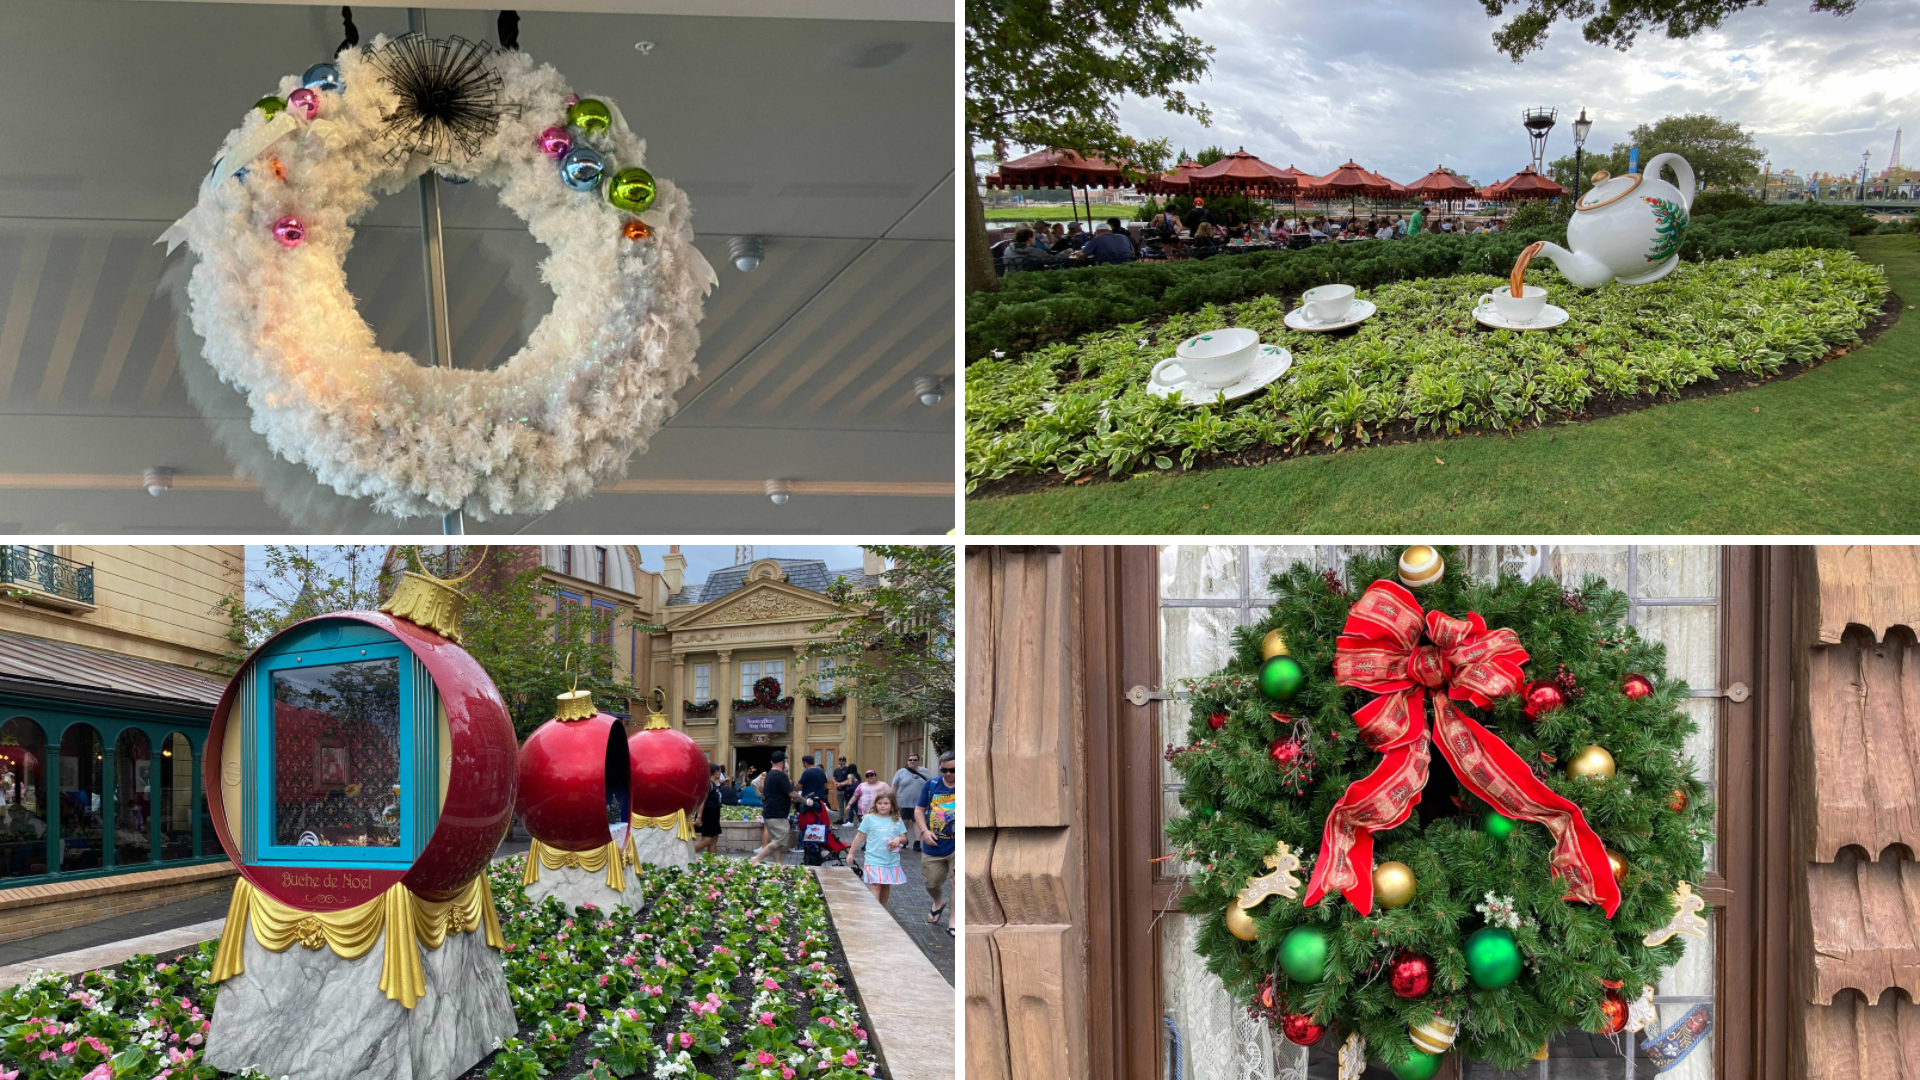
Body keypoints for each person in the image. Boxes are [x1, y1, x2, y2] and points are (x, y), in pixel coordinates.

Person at [917, 751, 957, 928]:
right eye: (944, 770)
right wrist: (924, 831)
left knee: (957, 882)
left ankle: (954, 921)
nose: (948, 774)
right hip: (933, 844)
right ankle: (939, 902)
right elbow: (919, 810)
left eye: (953, 770)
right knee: (931, 883)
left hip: (958, 844)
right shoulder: (931, 785)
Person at [852, 792, 909, 905]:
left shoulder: (897, 820)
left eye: (886, 803)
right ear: (875, 804)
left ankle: (883, 909)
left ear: (892, 805)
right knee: (876, 886)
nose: (882, 806)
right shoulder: (869, 819)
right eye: (880, 803)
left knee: (885, 886)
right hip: (873, 858)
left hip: (890, 859)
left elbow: (904, 838)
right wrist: (851, 853)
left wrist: (898, 839)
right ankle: (875, 911)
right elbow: (859, 836)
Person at [748, 751, 794, 864]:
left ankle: (778, 865)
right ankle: (757, 858)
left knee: (775, 839)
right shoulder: (779, 776)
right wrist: (805, 801)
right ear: (783, 762)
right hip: (777, 811)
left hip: (769, 809)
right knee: (779, 840)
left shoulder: (770, 775)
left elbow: (763, 789)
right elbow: (791, 793)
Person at [891, 754, 933, 850]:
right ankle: (904, 840)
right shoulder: (901, 772)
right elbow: (894, 786)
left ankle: (917, 842)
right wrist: (891, 799)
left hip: (919, 803)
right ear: (907, 761)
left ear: (918, 761)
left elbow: (931, 785)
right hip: (902, 802)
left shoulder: (925, 771)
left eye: (914, 760)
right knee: (904, 821)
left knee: (917, 822)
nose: (912, 762)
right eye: (910, 760)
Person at [694, 764, 724, 856]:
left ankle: (711, 861)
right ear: (716, 771)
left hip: (714, 815)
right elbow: (702, 801)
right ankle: (684, 855)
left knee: (714, 838)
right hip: (707, 815)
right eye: (720, 771)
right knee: (707, 840)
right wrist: (699, 817)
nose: (720, 773)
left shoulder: (713, 784)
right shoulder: (708, 784)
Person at [834, 755, 857, 823]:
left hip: (846, 790)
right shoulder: (836, 770)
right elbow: (834, 778)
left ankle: (849, 819)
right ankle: (840, 819)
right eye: (840, 761)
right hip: (838, 790)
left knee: (848, 804)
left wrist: (841, 784)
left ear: (845, 762)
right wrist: (836, 783)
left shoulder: (847, 770)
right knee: (840, 805)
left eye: (843, 761)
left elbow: (850, 780)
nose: (841, 762)